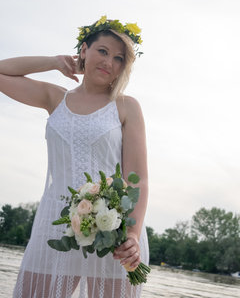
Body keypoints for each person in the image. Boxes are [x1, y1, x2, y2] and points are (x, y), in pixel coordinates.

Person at [0, 16, 149, 298]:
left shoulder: (126, 107)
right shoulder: (54, 98)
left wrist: (132, 235)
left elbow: (138, 178)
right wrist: (54, 62)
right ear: (84, 50)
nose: (109, 62)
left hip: (113, 227)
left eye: (119, 58)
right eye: (103, 51)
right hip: (54, 224)